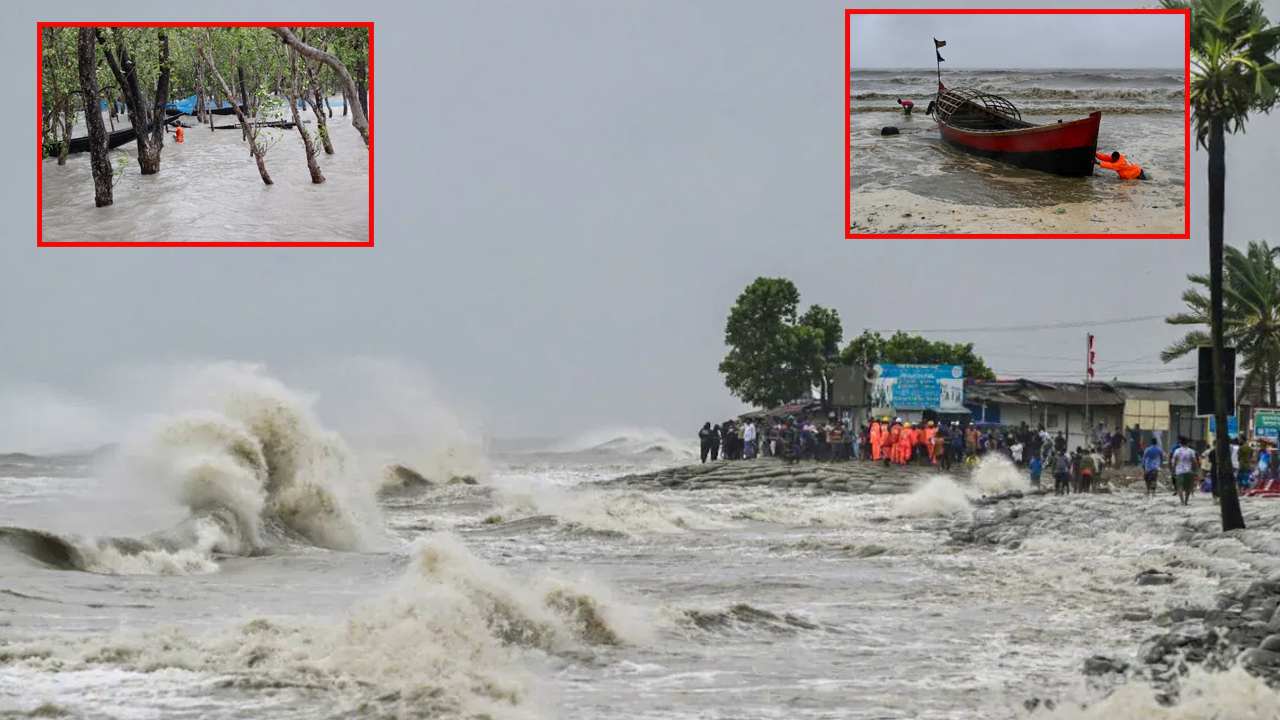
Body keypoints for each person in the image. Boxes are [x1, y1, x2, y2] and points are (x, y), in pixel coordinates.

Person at [1172, 436, 1198, 505]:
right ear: (1187, 443)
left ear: (1180, 443)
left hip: (1179, 472)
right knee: (1188, 488)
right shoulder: (1191, 451)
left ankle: (1182, 501)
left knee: (1179, 487)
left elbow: (1174, 462)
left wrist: (1173, 470)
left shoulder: (1177, 451)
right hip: (1188, 471)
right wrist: (1195, 470)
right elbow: (1194, 462)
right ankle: (1186, 501)